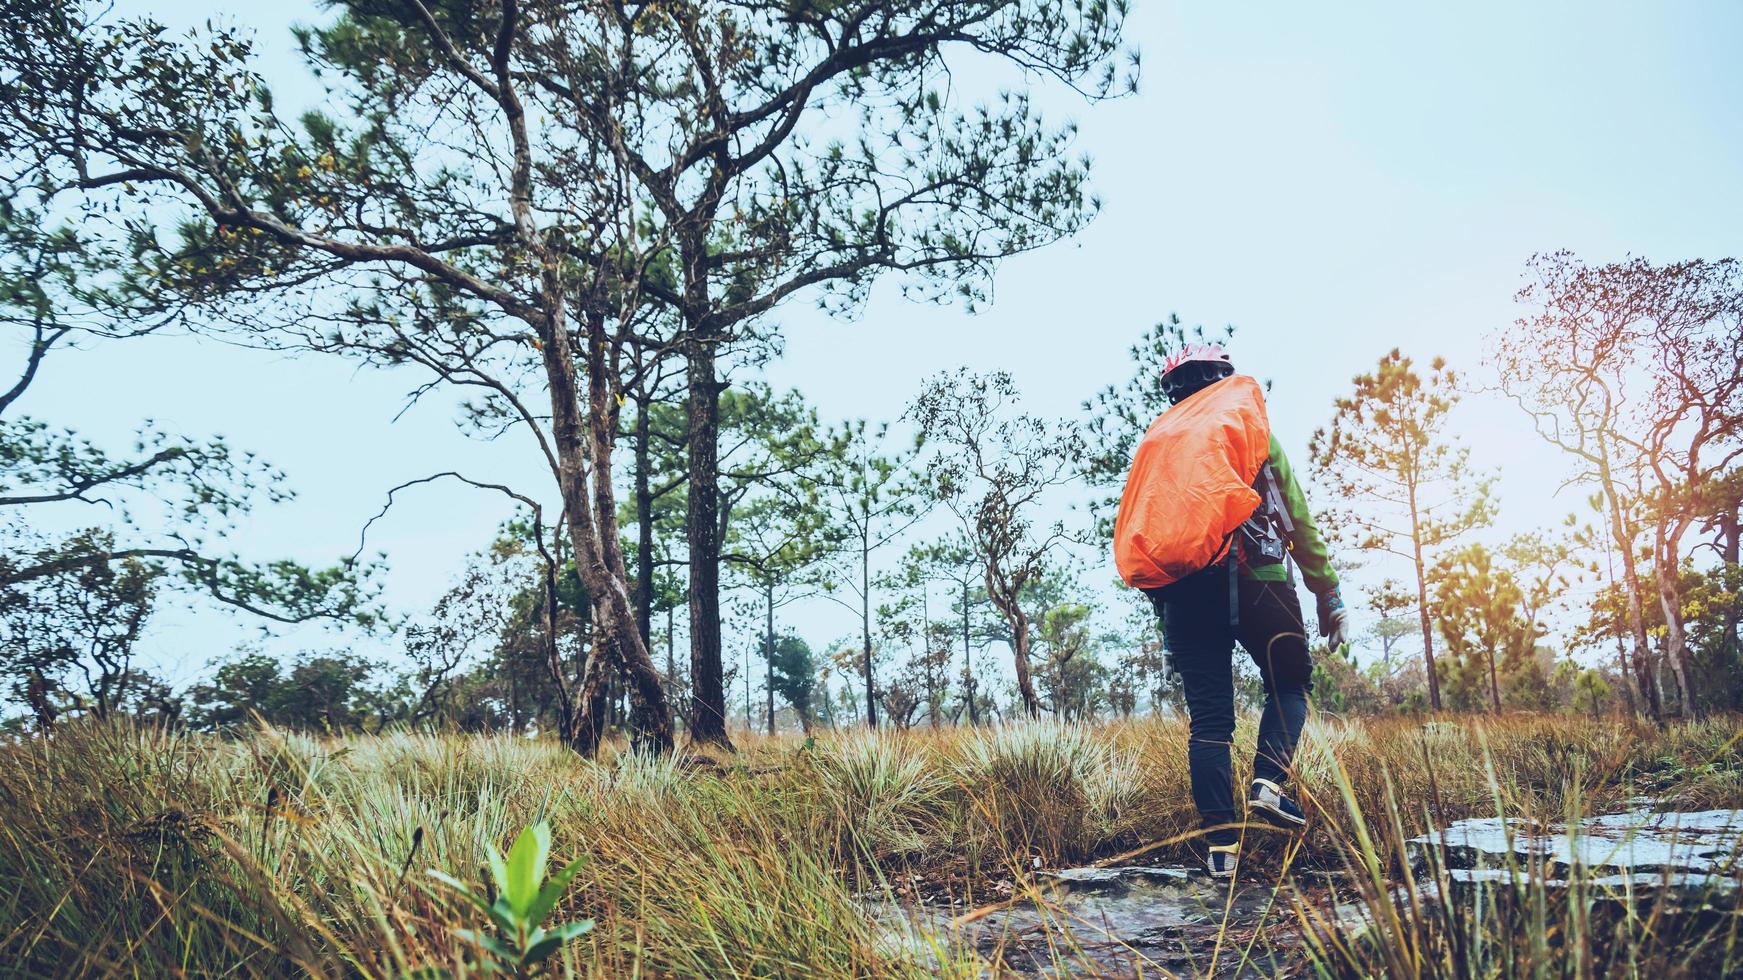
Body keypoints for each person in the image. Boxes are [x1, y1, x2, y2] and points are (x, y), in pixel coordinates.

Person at [1144, 344, 1350, 879]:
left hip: (1187, 599)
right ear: (1223, 379)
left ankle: (1220, 850)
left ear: (1175, 390)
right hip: (1261, 584)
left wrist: (1168, 622)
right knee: (1289, 682)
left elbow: (1149, 541)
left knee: (1209, 723)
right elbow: (1296, 516)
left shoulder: (1159, 446)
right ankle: (1268, 783)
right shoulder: (1252, 432)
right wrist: (1326, 591)